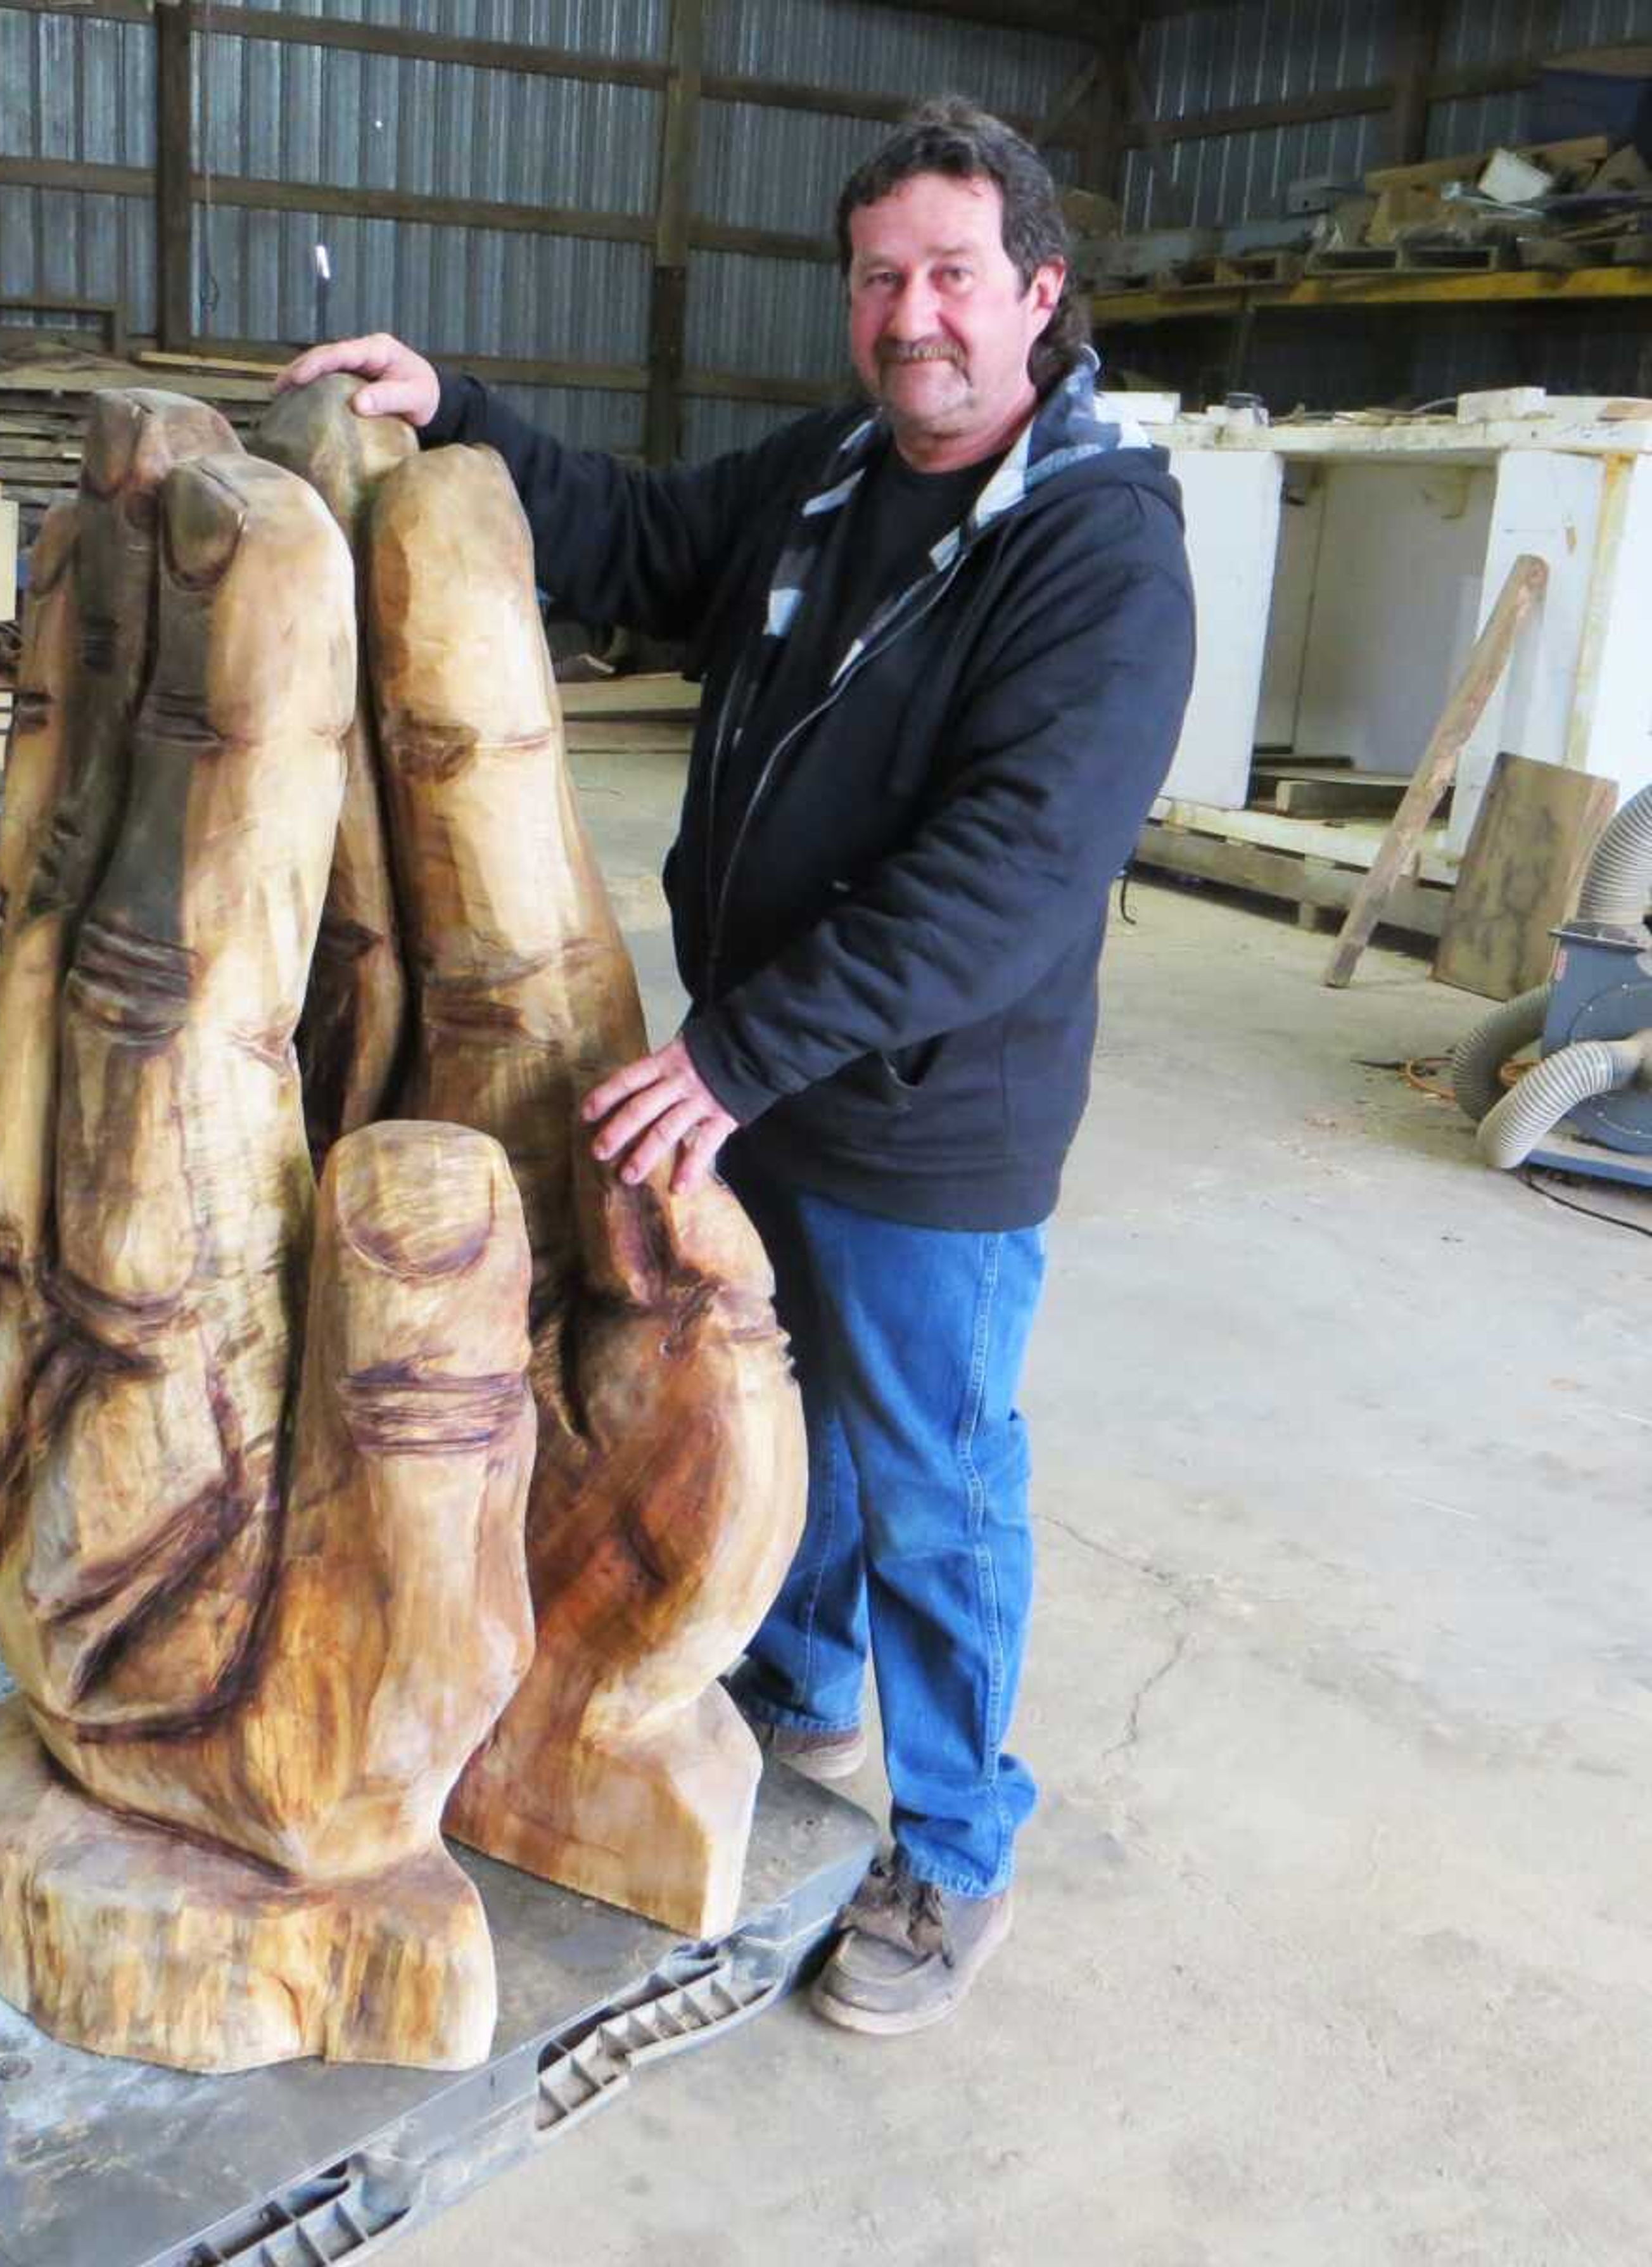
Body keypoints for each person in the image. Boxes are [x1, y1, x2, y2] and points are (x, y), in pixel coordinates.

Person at [281, 96, 1195, 2036]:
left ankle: (955, 1851)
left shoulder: (1099, 554)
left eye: (953, 275)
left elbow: (1011, 881)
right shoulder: (833, 473)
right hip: (763, 1075)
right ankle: (796, 1679)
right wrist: (458, 410)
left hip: (927, 1111)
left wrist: (730, 1054)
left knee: (937, 1470)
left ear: (1039, 291)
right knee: (782, 1410)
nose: (912, 314)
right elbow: (629, 533)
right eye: (880, 278)